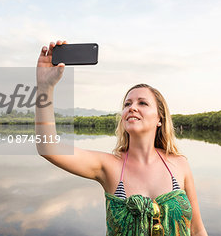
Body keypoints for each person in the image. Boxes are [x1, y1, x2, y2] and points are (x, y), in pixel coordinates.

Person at [35, 40, 208, 236]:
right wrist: (44, 87)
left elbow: (197, 229)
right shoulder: (109, 166)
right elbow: (47, 148)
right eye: (127, 104)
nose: (132, 107)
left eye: (142, 103)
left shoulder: (179, 164)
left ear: (159, 118)